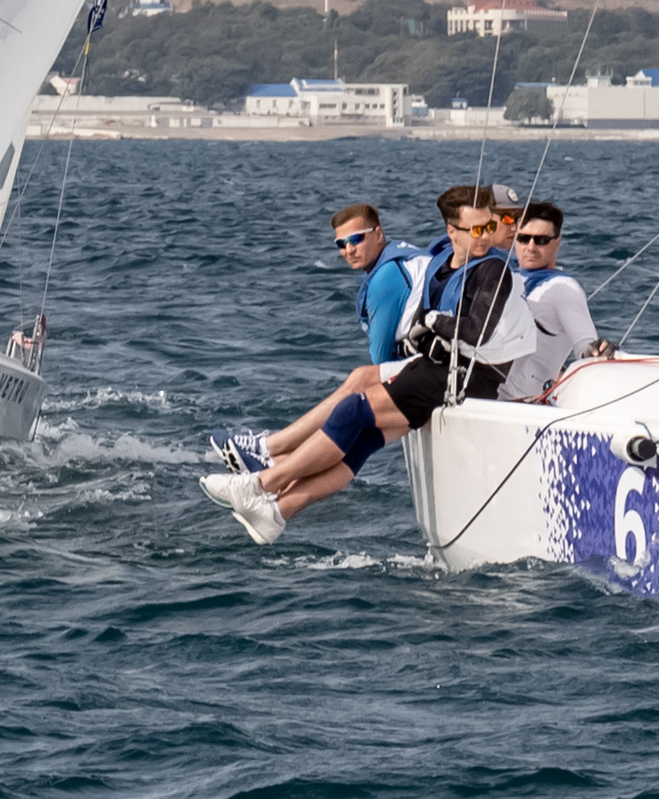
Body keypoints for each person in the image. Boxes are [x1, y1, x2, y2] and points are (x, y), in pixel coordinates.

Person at [201, 186, 536, 543]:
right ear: (451, 232)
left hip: (469, 376)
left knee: (354, 412)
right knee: (363, 440)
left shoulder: (493, 270)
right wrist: (423, 330)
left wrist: (433, 323)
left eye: (489, 227)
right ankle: (277, 513)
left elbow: (476, 332)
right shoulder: (444, 259)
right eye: (476, 229)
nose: (485, 237)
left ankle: (259, 483)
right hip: (440, 366)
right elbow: (431, 315)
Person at [210, 202, 427, 474]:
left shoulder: (386, 277)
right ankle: (272, 463)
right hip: (433, 361)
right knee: (363, 421)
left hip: (437, 371)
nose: (348, 250)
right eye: (341, 244)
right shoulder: (403, 257)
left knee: (360, 386)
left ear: (379, 234)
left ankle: (267, 449)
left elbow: (380, 361)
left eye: (356, 239)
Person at [500, 200, 608, 402]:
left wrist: (596, 350)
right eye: (524, 238)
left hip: (517, 405)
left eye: (541, 240)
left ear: (557, 243)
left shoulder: (564, 290)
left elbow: (586, 347)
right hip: (478, 394)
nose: (530, 247)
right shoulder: (501, 274)